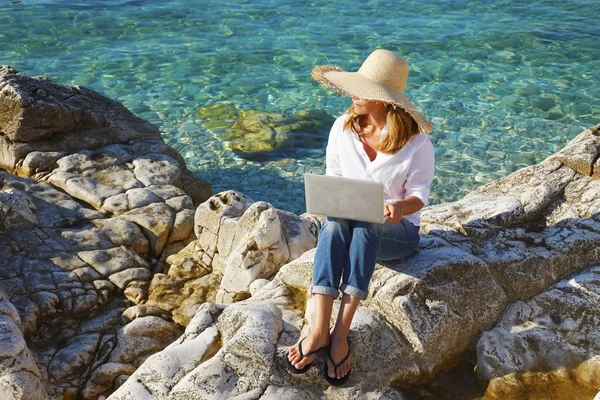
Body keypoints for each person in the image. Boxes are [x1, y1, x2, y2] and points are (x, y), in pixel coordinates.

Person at [287, 49, 435, 386]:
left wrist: (399, 208)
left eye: (362, 90)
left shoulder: (417, 143)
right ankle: (320, 328)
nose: (353, 95)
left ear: (385, 100)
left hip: (398, 233)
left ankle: (342, 331)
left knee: (367, 226)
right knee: (335, 222)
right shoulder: (342, 127)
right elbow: (333, 179)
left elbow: (419, 197)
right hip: (347, 221)